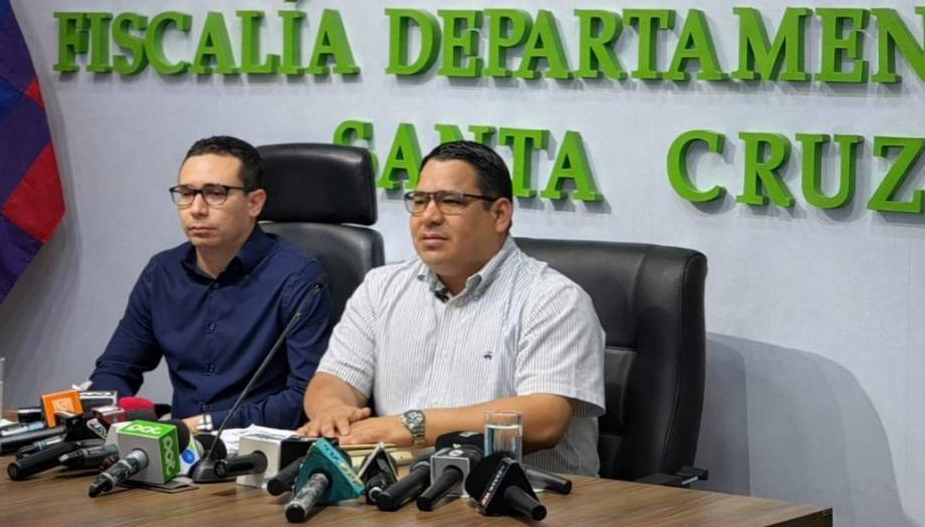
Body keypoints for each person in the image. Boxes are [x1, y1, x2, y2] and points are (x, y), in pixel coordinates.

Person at [299, 141, 605, 475]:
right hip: (404, 486)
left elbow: (545, 418)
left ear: (500, 214)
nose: (429, 217)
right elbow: (335, 378)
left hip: (529, 494)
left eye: (451, 201)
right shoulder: (380, 287)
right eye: (420, 201)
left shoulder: (553, 298)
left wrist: (413, 425)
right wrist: (332, 412)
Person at [89, 136, 333, 432]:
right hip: (180, 445)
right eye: (186, 193)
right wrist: (111, 419)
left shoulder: (298, 276)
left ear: (255, 203)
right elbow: (117, 368)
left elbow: (306, 397)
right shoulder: (162, 272)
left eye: (215, 193)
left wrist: (203, 425)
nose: (196, 209)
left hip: (260, 447)